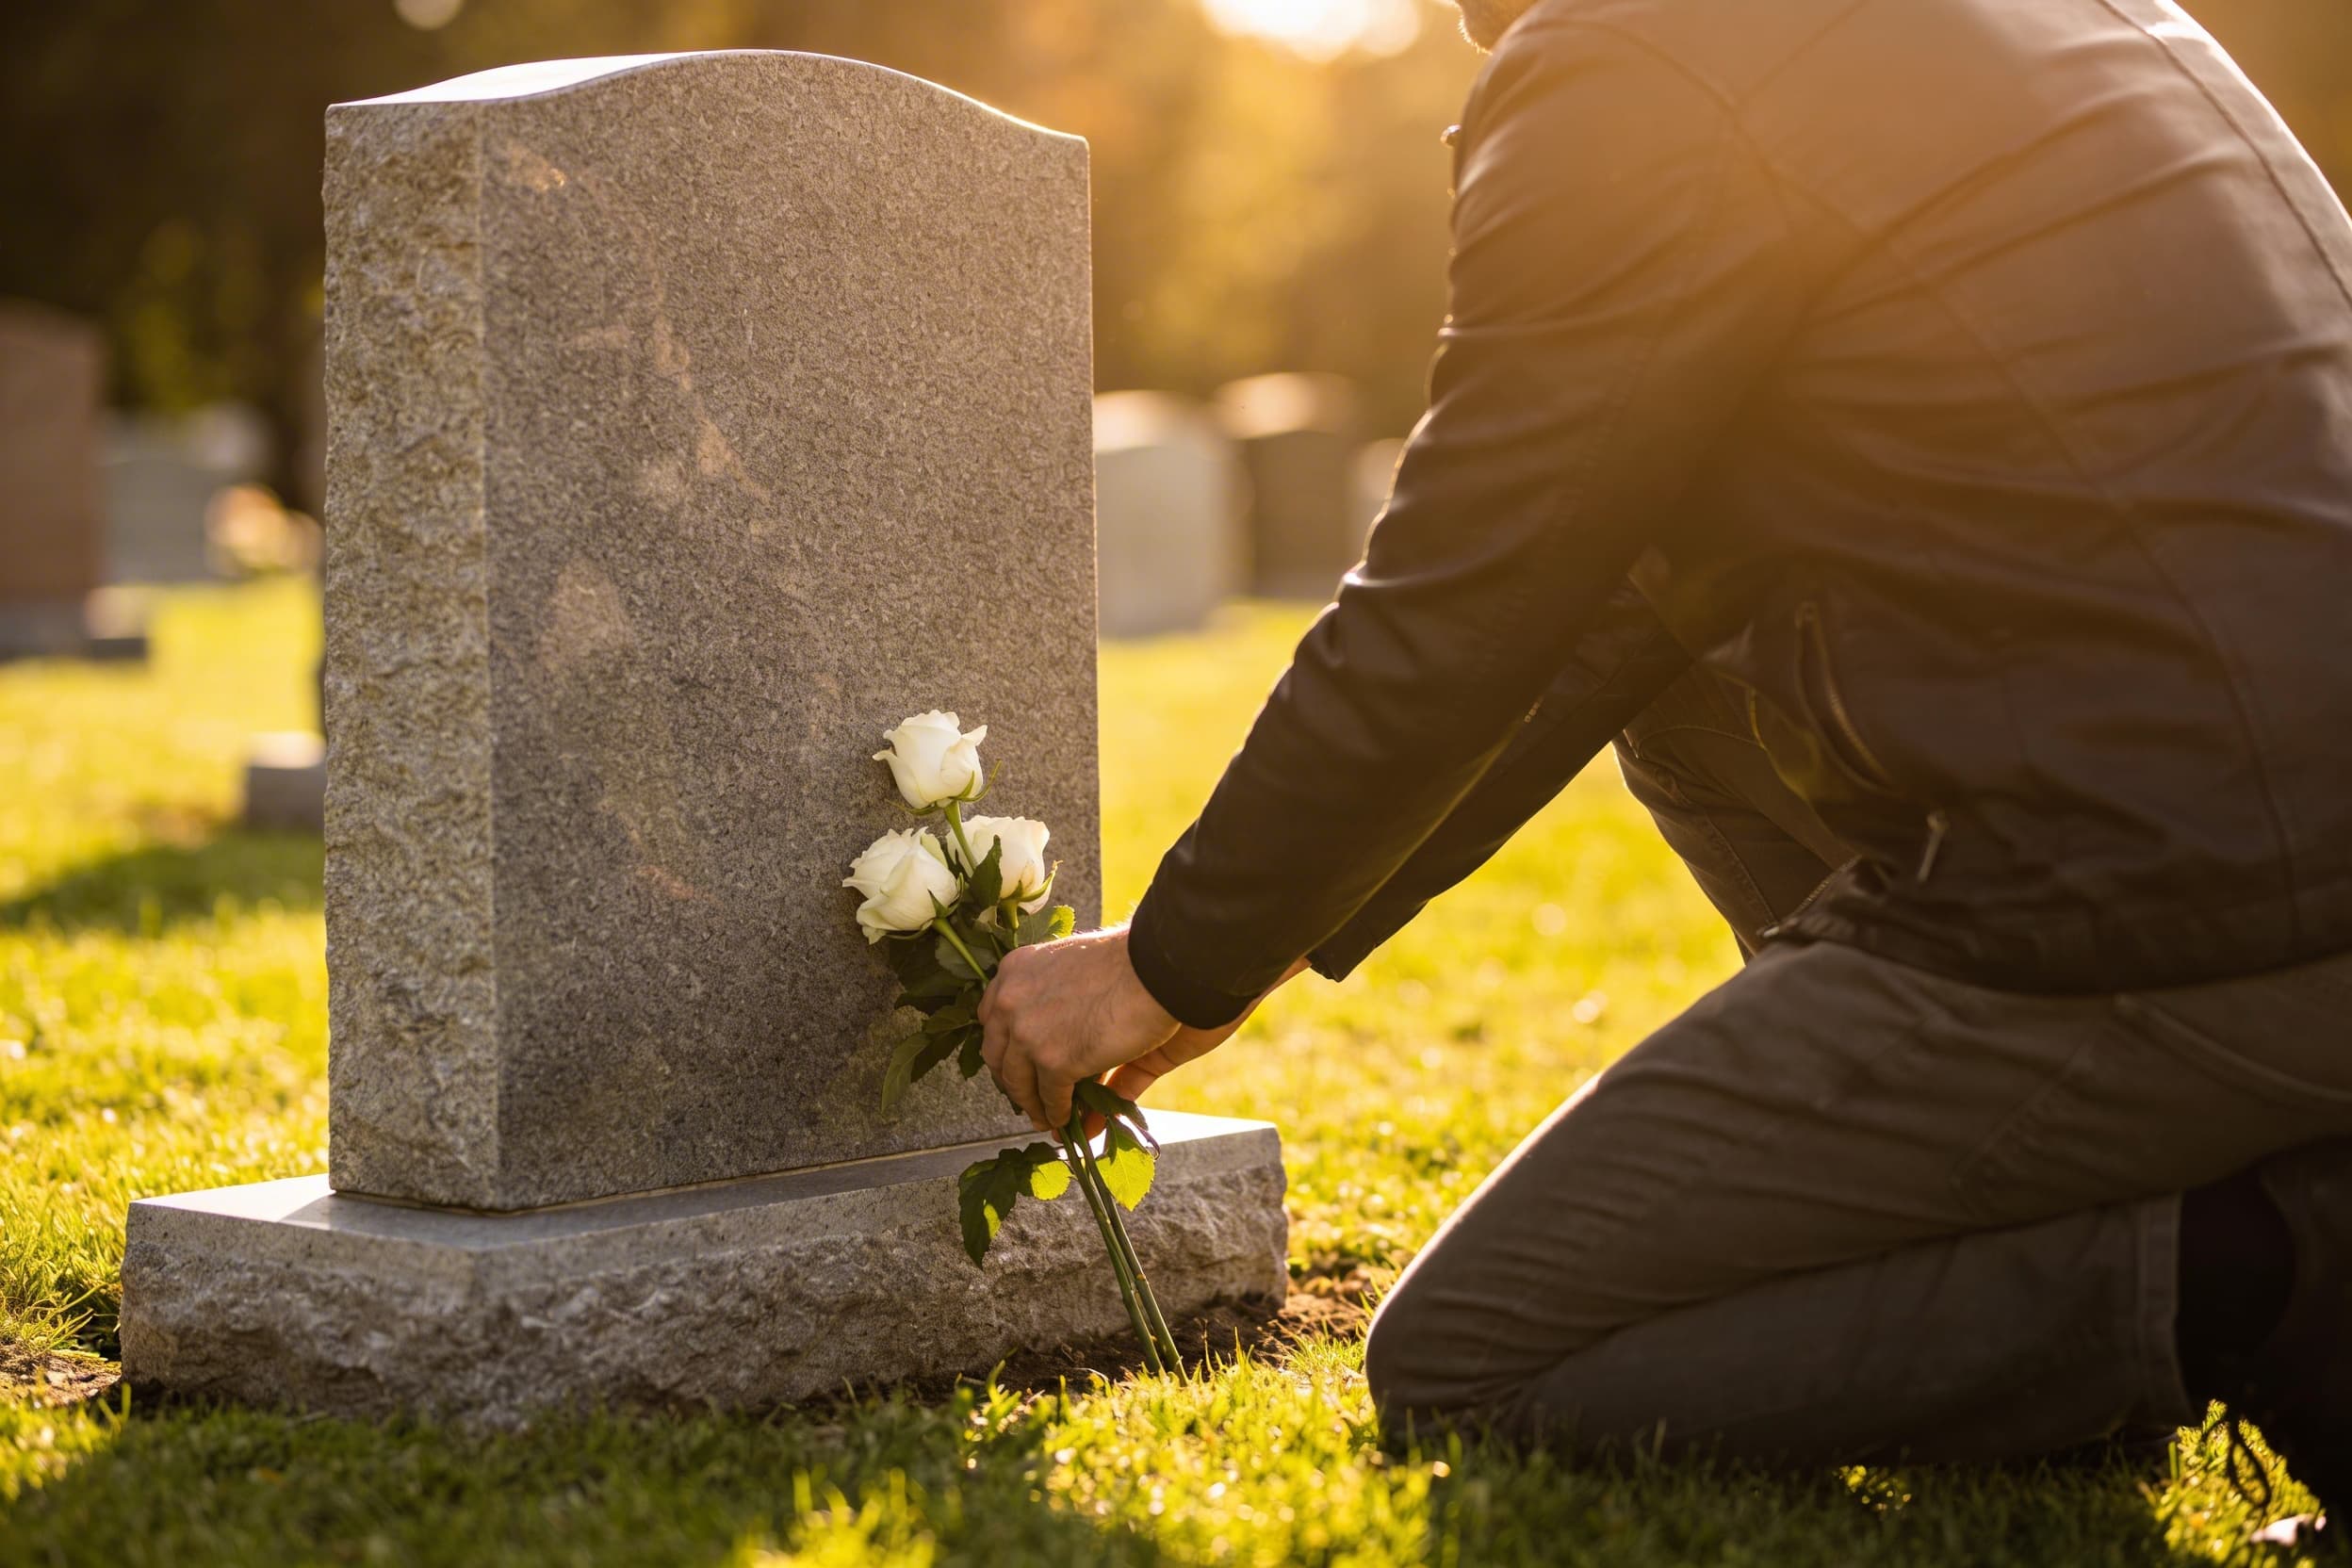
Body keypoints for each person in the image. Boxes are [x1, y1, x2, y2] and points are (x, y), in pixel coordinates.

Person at [975, 0, 2352, 1511]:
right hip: (2256, 811)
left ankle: (2268, 1265)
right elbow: (1590, 612)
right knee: (1685, 709)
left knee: (1473, 1361)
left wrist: (1163, 964)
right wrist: (1230, 952)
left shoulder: (1637, 62)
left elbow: (1471, 585)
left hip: (2188, 877)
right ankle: (2078, 1242)